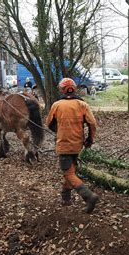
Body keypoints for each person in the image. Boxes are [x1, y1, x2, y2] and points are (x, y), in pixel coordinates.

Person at [46, 78, 100, 213]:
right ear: (74, 89)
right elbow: (92, 124)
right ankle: (65, 197)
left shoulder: (57, 105)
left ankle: (89, 196)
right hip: (77, 145)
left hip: (64, 145)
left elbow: (49, 124)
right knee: (71, 171)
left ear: (61, 90)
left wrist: (59, 130)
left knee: (68, 173)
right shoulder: (83, 105)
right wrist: (89, 140)